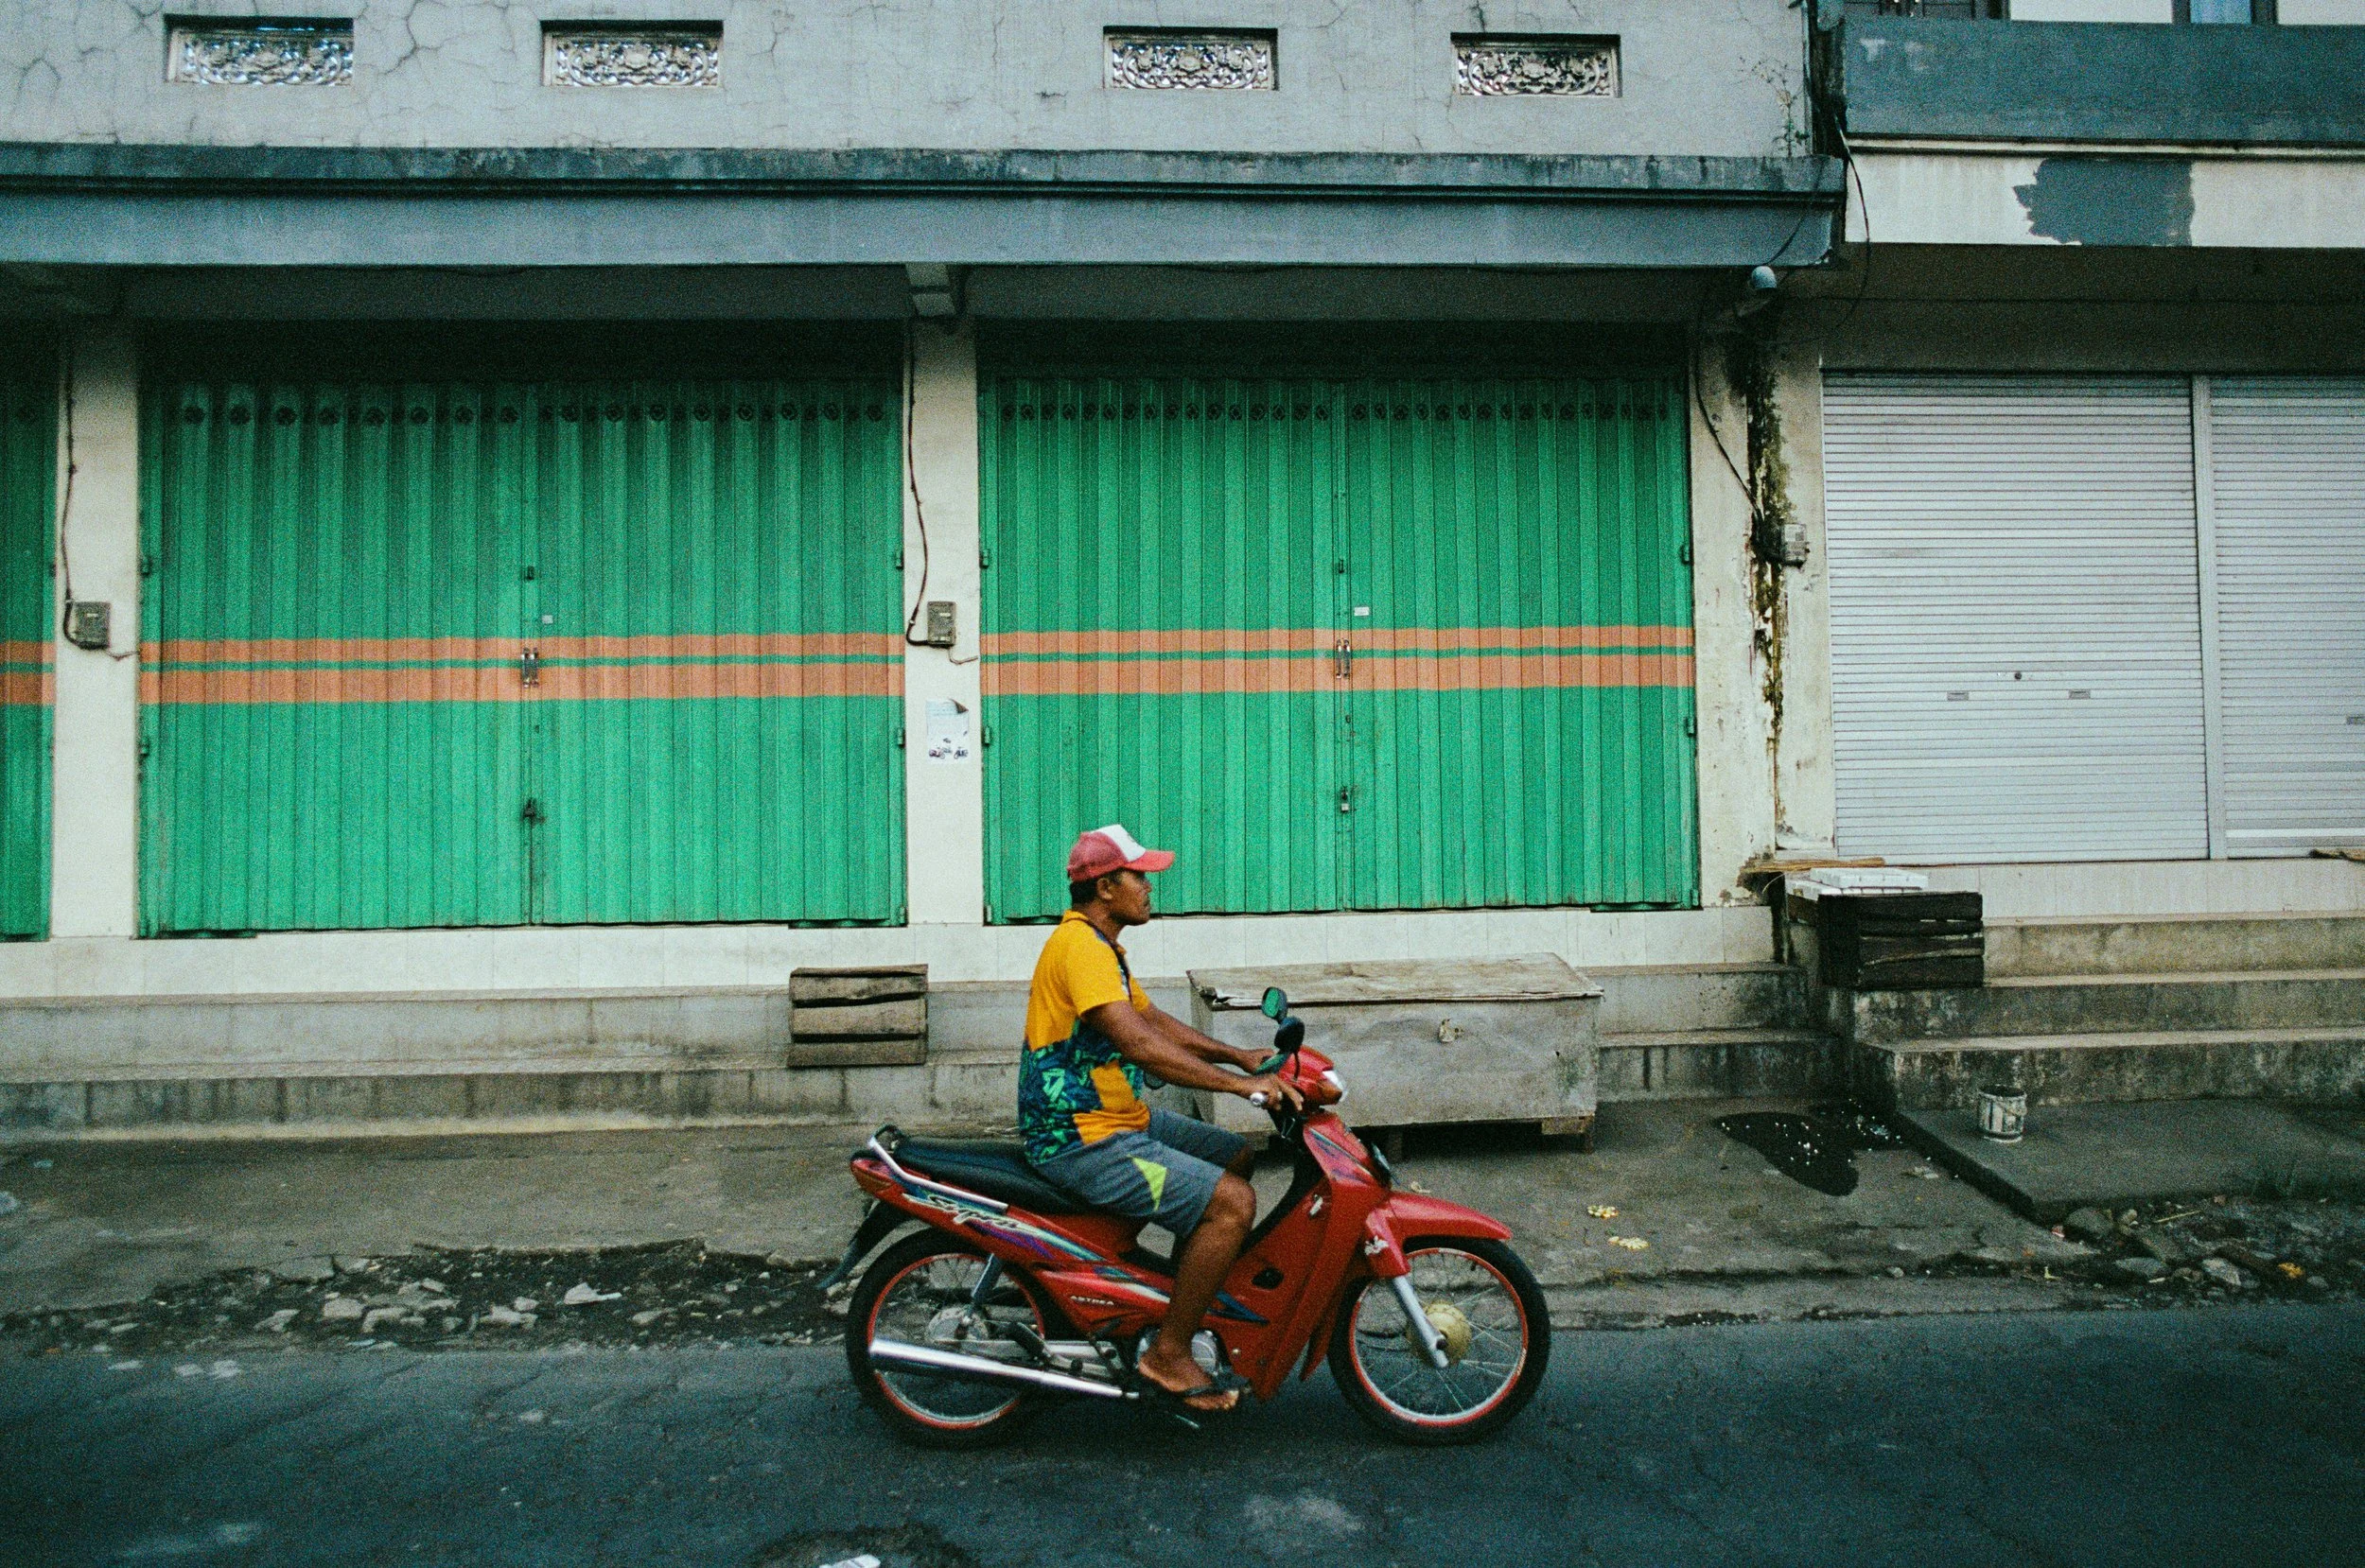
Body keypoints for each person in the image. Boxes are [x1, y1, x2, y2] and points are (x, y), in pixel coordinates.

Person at [1018, 824, 1304, 1413]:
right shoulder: (1080, 949)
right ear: (1104, 887)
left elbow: (1151, 1022)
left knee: (1234, 1156)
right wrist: (1244, 1088)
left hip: (1118, 1119)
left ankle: (1179, 1296)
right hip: (1082, 1138)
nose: (1149, 887)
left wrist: (1237, 1054)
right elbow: (1143, 1049)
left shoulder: (1101, 948)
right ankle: (1168, 1352)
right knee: (1233, 1204)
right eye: (1139, 876)